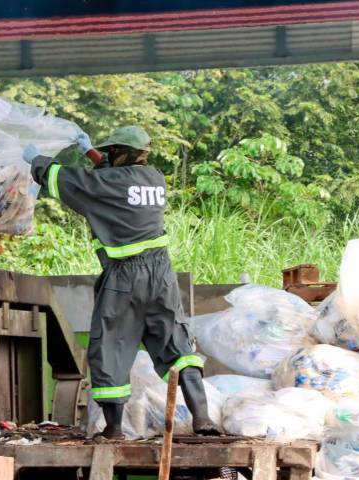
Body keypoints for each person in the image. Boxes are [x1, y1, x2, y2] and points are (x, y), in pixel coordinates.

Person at [22, 126, 220, 440]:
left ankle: (113, 429)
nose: (109, 156)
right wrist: (91, 152)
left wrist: (38, 162)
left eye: (112, 151)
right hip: (161, 276)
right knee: (178, 343)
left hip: (125, 279)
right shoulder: (154, 178)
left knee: (110, 346)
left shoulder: (110, 184)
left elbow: (77, 182)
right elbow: (111, 180)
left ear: (124, 152)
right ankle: (202, 417)